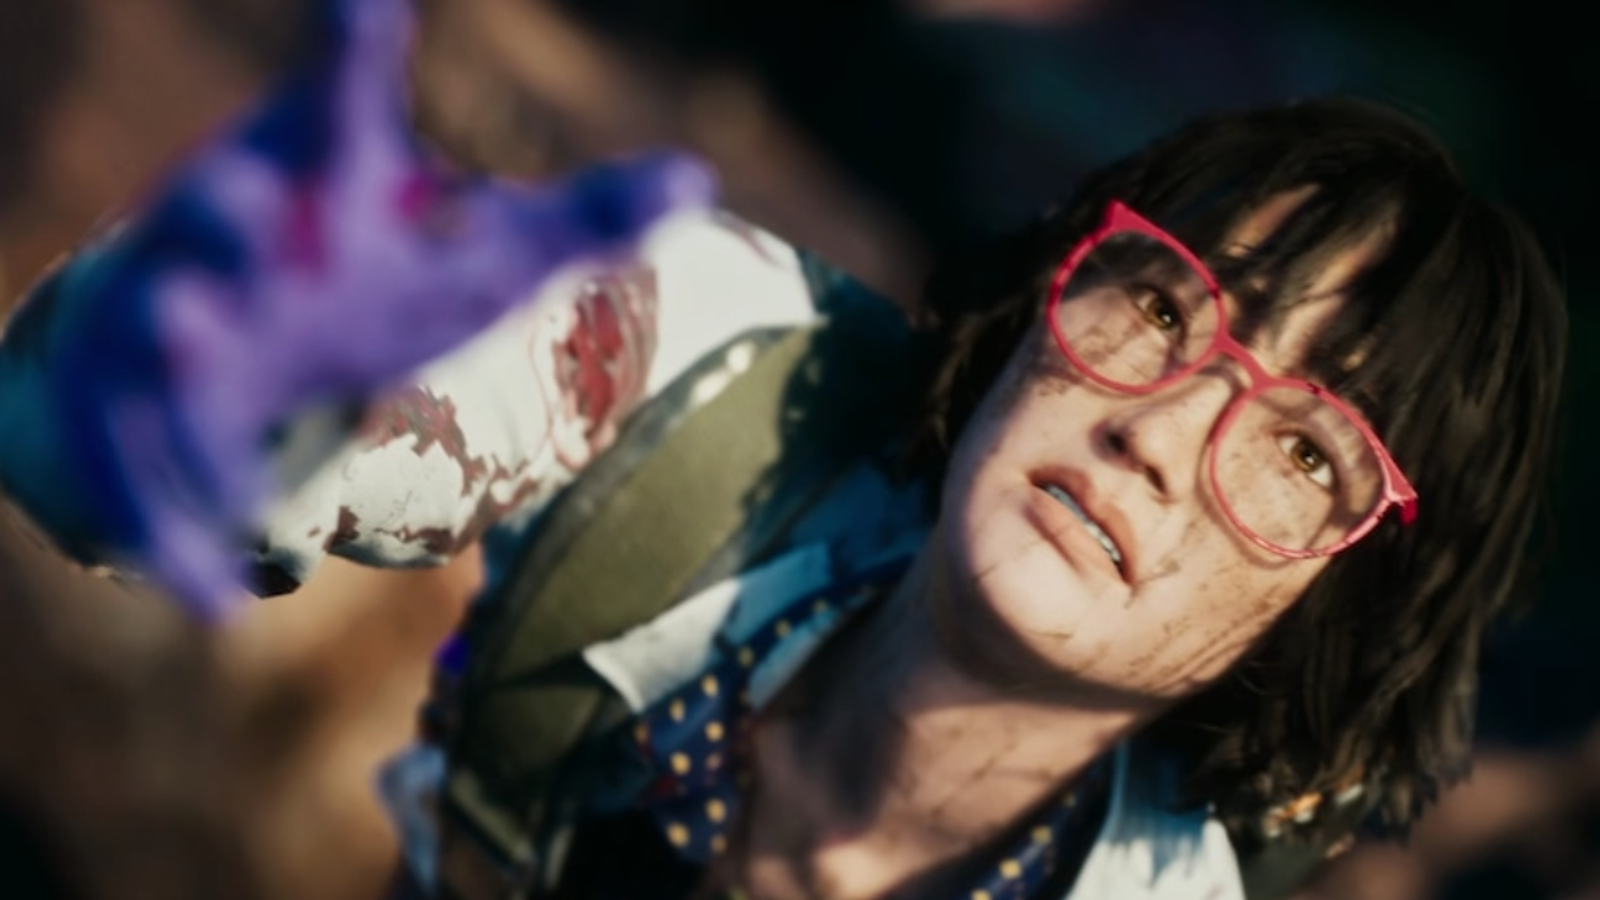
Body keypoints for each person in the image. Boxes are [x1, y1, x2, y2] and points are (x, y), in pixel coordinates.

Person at [0, 97, 1566, 900]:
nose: (1161, 433)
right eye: (1162, 305)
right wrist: (206, 381)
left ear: (1340, 613)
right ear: (1046, 293)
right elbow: (146, 451)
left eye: (1304, 452)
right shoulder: (721, 363)